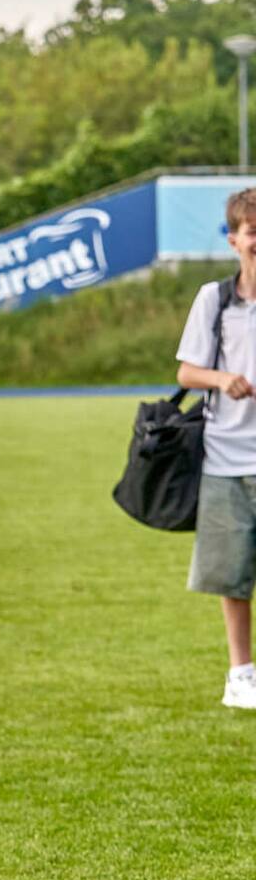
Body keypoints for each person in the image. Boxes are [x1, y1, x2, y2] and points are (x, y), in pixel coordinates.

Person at [177, 187, 256, 710]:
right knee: (231, 573)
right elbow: (186, 371)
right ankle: (240, 672)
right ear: (233, 239)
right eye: (251, 232)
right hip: (227, 457)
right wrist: (222, 379)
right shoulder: (216, 299)